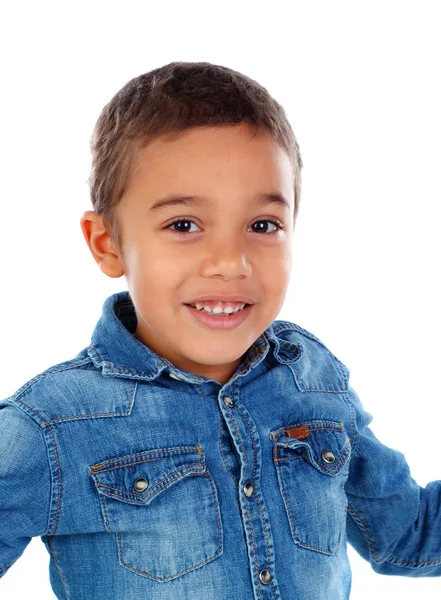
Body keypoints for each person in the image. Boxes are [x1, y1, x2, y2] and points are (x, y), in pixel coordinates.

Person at [0, 61, 440, 600]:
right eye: (184, 225)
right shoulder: (50, 424)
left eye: (262, 225)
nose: (230, 262)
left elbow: (409, 535)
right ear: (107, 244)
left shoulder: (313, 378)